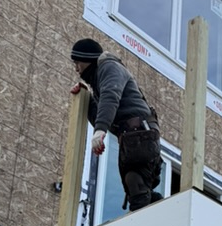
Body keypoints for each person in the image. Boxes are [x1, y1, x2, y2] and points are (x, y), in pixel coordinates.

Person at [70, 38, 163, 212]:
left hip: (140, 134)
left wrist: (99, 131)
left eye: (78, 62)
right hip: (133, 137)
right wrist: (88, 100)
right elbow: (105, 110)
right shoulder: (100, 80)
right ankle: (157, 211)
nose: (76, 68)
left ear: (88, 58)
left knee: (136, 183)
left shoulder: (109, 67)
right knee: (136, 185)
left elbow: (110, 97)